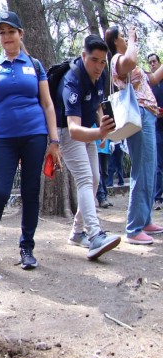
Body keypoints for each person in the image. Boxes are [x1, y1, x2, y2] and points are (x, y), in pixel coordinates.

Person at [0, 11, 62, 272]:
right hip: (3, 139)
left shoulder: (34, 65)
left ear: (20, 34)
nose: (7, 37)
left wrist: (54, 140)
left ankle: (27, 248)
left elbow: (47, 103)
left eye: (11, 31)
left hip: (35, 134)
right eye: (2, 32)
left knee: (31, 192)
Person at [55, 34, 121, 260]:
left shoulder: (100, 76)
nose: (99, 66)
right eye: (94, 60)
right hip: (67, 131)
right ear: (83, 56)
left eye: (103, 62)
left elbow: (98, 104)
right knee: (84, 179)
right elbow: (73, 129)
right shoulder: (72, 81)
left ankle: (76, 232)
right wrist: (99, 132)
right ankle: (94, 236)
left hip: (90, 130)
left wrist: (102, 126)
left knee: (94, 180)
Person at [105, 25, 163, 244]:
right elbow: (129, 62)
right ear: (115, 42)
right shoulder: (118, 60)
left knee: (149, 168)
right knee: (142, 170)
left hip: (148, 117)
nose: (127, 39)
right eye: (123, 37)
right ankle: (134, 228)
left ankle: (145, 219)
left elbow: (154, 80)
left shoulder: (131, 62)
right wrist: (131, 37)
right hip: (137, 116)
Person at [147, 52, 163, 210]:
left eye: (154, 61)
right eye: (150, 62)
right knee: (158, 164)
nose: (152, 64)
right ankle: (158, 197)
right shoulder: (150, 85)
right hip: (156, 127)